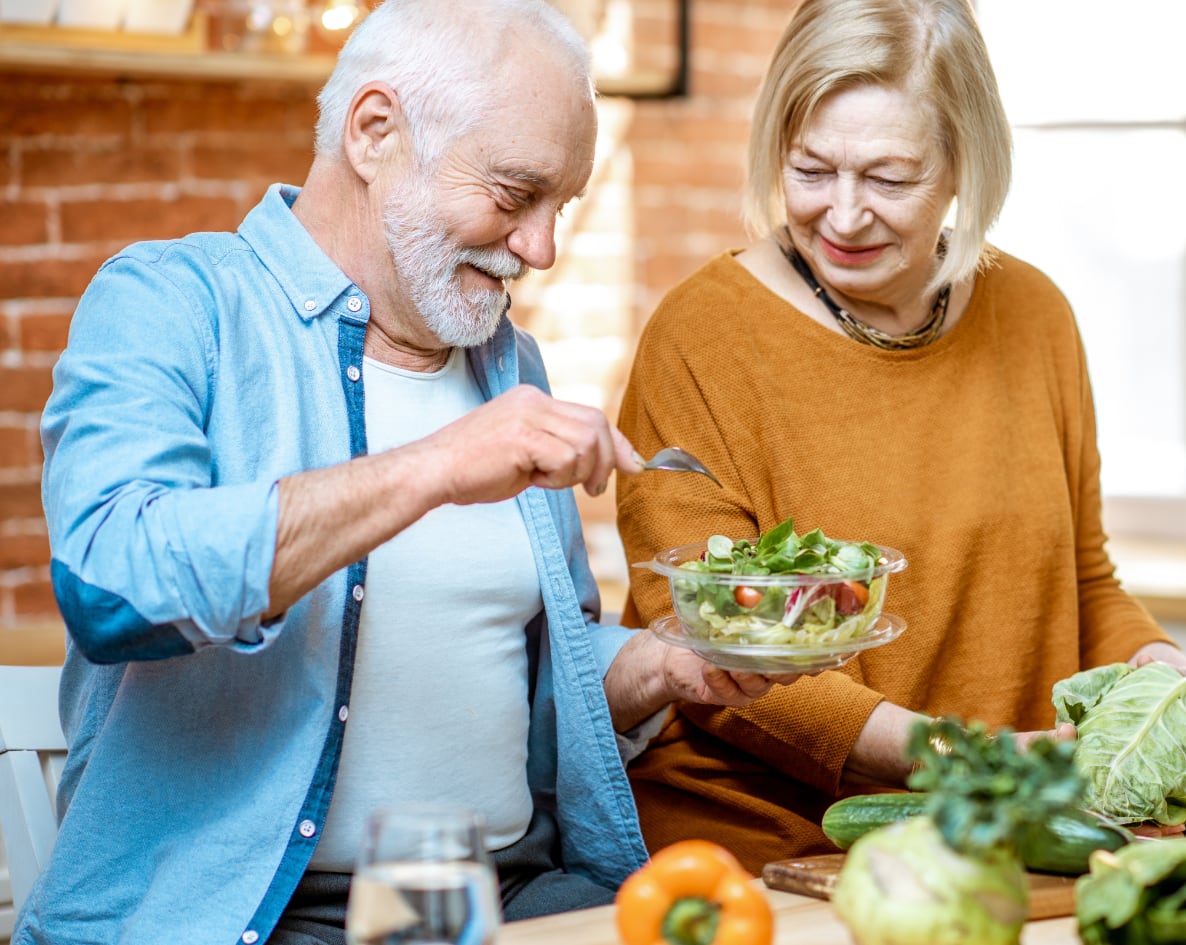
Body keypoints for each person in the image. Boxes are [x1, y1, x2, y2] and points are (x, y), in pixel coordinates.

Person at [24, 2, 791, 943]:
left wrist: (665, 663)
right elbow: (113, 586)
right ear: (374, 130)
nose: (541, 248)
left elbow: (524, 677)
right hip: (247, 920)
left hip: (512, 901)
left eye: (563, 209)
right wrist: (433, 466)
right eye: (515, 195)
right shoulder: (171, 303)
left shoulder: (509, 367)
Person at [614, 0, 1186, 874]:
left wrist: (1167, 685)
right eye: (810, 170)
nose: (843, 216)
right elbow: (707, 643)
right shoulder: (701, 335)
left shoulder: (1035, 316)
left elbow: (1083, 579)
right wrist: (964, 758)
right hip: (773, 857)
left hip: (1004, 841)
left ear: (965, 166)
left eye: (888, 178)